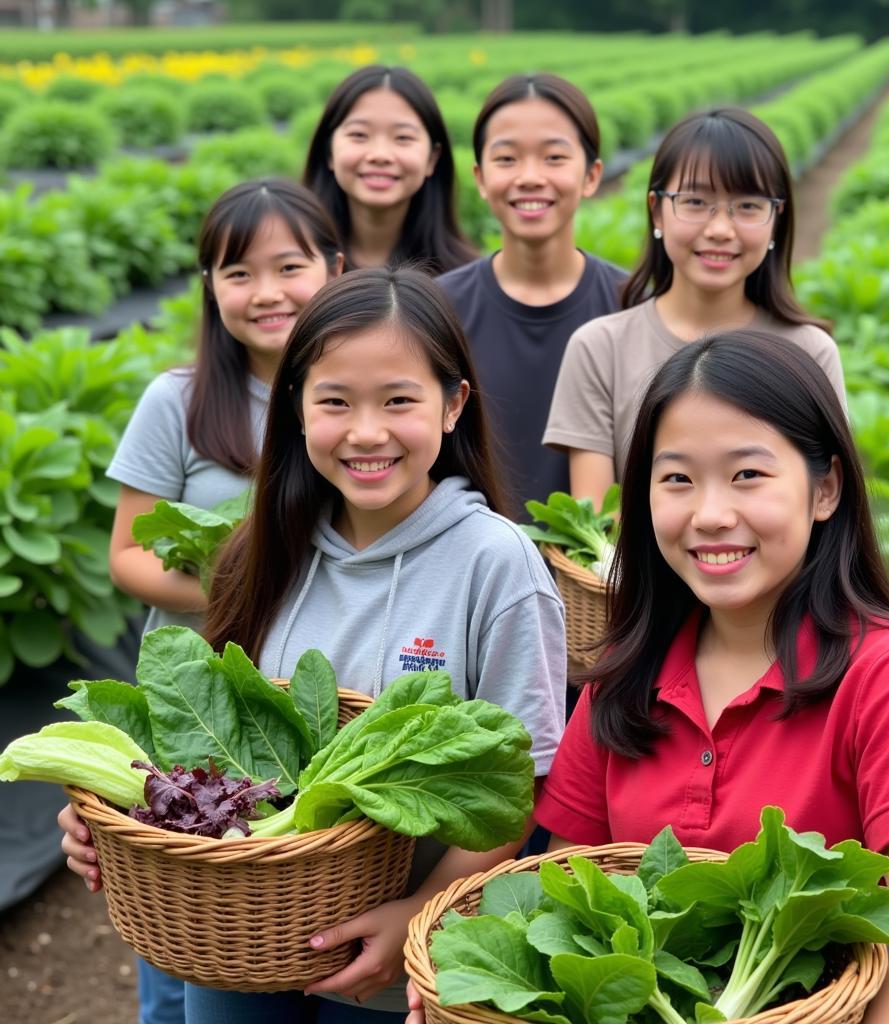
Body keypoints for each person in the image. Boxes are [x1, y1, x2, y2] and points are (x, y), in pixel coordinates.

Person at [62, 268, 567, 1024]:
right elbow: (194, 745)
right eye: (335, 401)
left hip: (392, 960)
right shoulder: (259, 550)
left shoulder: (497, 565)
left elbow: (518, 783)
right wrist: (115, 821)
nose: (367, 432)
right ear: (296, 408)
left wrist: (417, 916)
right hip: (236, 940)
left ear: (454, 404)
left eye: (400, 400)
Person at [533, 331, 889, 1024]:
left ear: (825, 489)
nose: (710, 513)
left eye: (747, 474)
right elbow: (563, 903)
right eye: (678, 479)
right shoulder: (622, 677)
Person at [57, 177, 342, 1024]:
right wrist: (241, 586)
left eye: (289, 266)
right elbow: (129, 557)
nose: (266, 293)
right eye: (237, 273)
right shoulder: (175, 401)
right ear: (210, 288)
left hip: (306, 706)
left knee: (299, 905)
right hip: (192, 704)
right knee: (181, 927)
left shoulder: (352, 393)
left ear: (333, 267)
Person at [543, 108, 847, 508]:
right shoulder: (601, 349)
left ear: (777, 217)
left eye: (748, 206)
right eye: (696, 201)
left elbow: (823, 507)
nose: (720, 229)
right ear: (656, 210)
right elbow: (598, 527)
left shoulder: (810, 352)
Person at [437, 73, 626, 518]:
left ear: (592, 175)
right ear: (481, 179)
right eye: (507, 159)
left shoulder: (635, 304)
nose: (530, 177)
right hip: (471, 575)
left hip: (596, 576)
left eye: (554, 157)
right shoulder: (438, 310)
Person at [303, 65, 475, 275]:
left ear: (433, 158)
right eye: (359, 135)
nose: (380, 155)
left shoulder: (463, 283)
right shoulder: (298, 273)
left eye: (403, 137)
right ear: (328, 151)